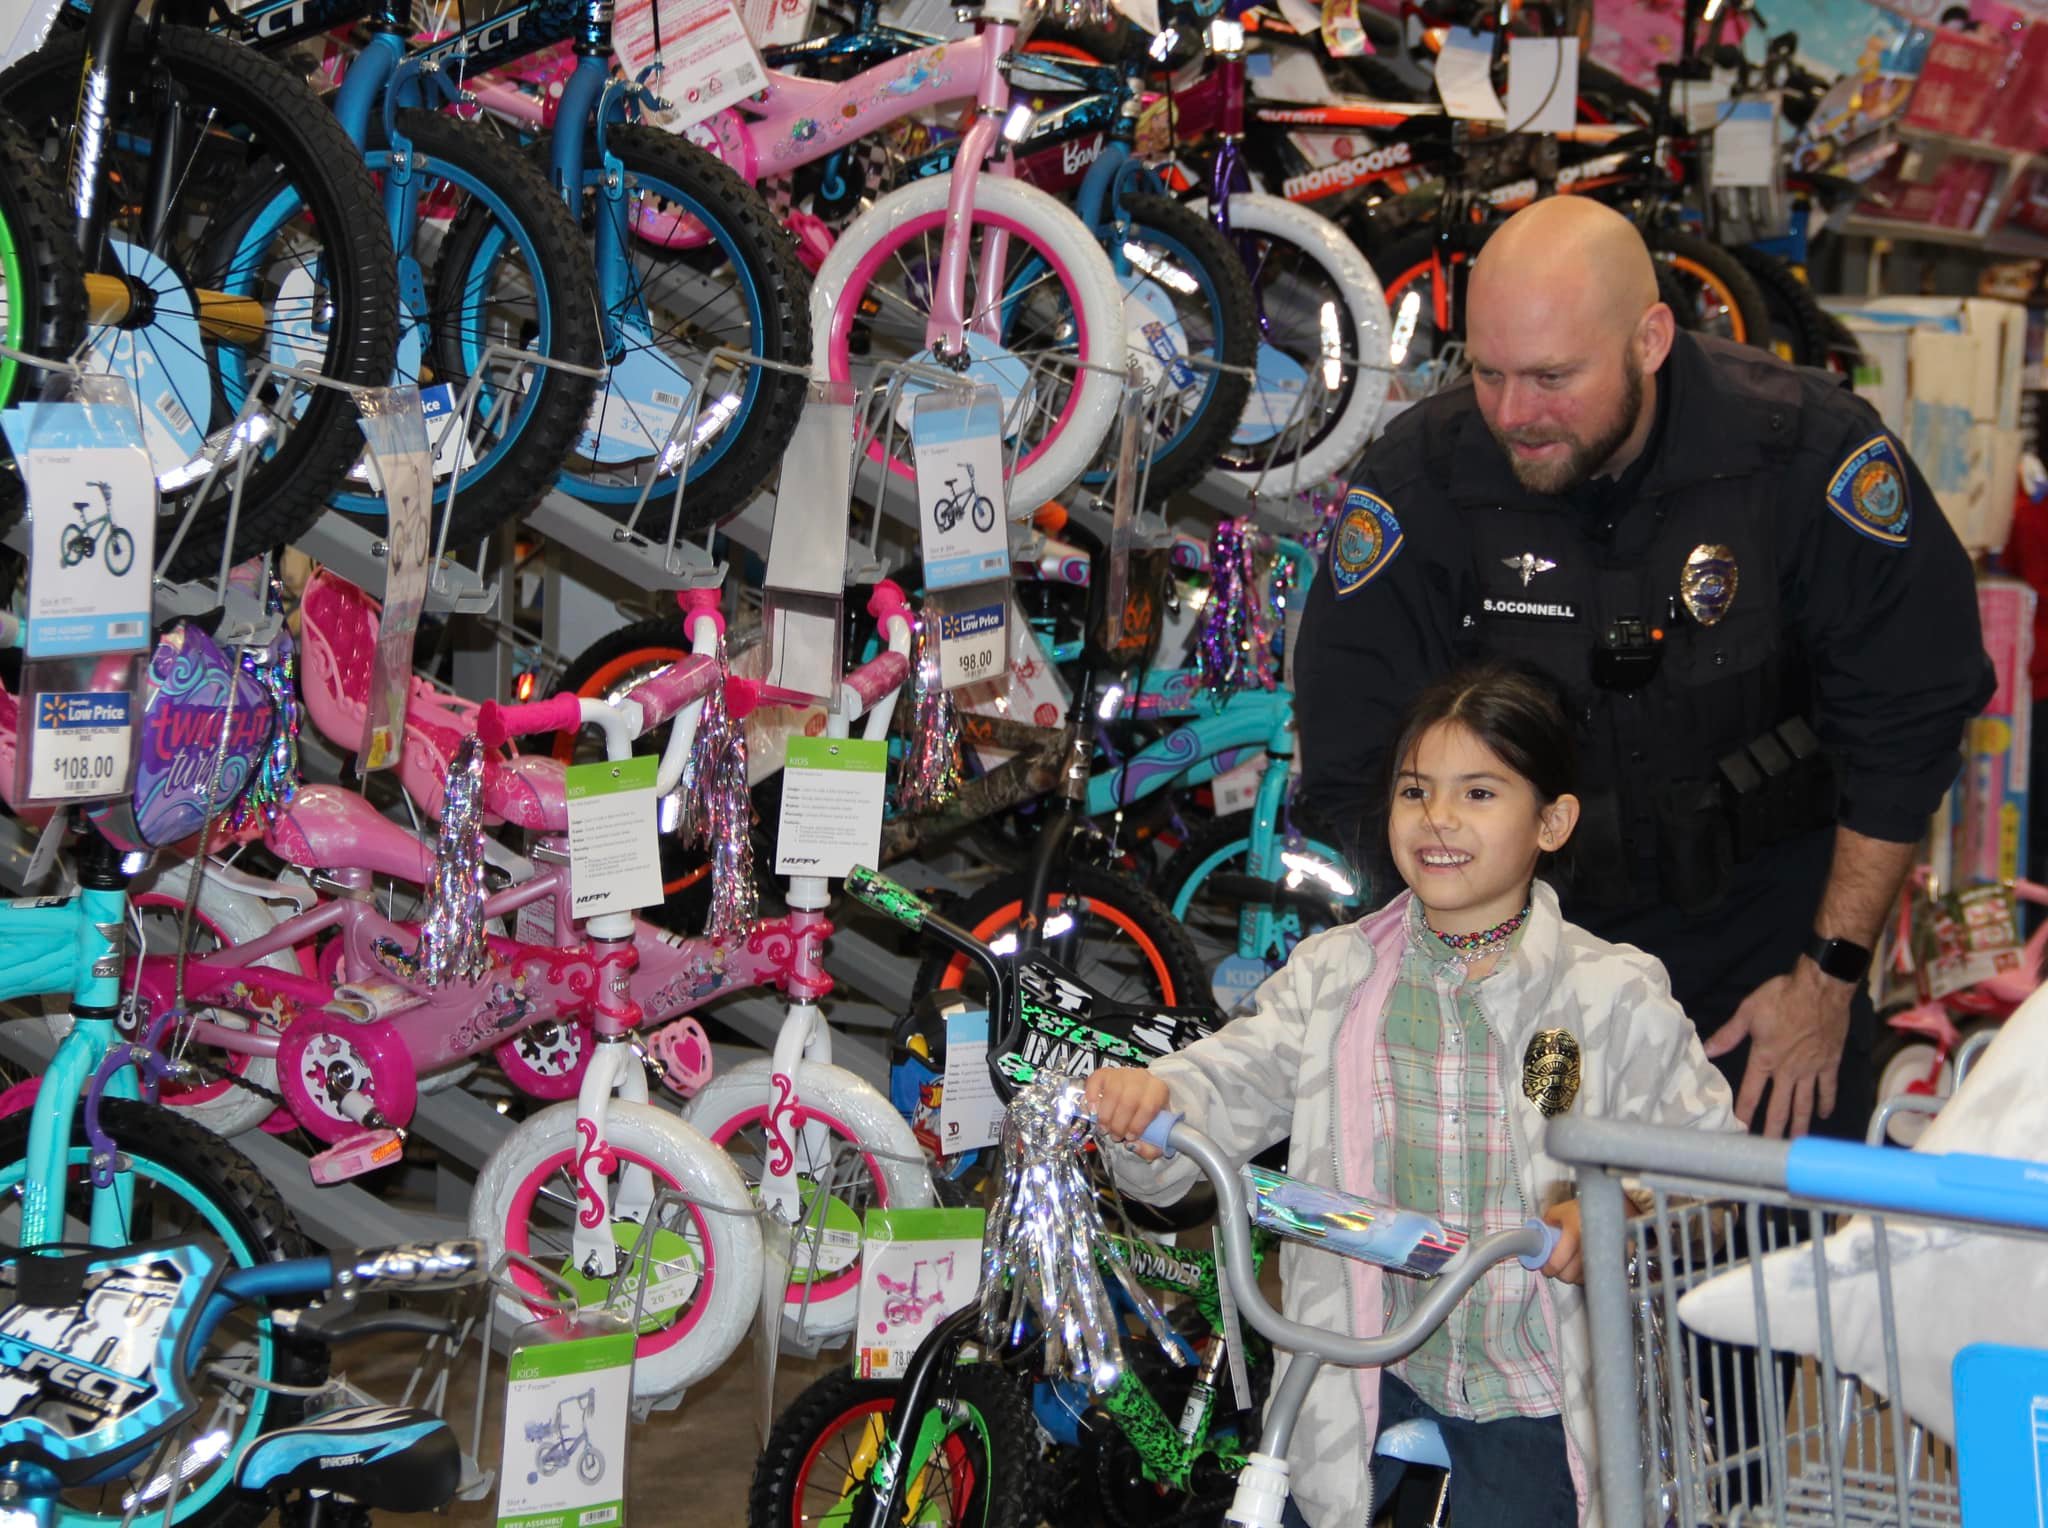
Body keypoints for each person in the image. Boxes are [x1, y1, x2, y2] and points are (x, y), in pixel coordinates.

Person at [1294, 196, 1993, 1142]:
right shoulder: (1425, 481)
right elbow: (1355, 759)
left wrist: (1829, 977)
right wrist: (1450, 985)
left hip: (1765, 962)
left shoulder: (1802, 456)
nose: (1513, 414)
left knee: (1760, 1275)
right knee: (1538, 1263)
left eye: (1551, 377)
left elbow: (1909, 716)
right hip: (1525, 960)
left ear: (1652, 339)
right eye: (1489, 372)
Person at [1086, 663, 1737, 1528]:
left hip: (1534, 1386)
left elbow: (1717, 1173)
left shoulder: (1609, 993)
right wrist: (1152, 1101)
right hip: (1364, 1369)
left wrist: (1615, 1213)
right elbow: (1231, 1073)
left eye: (1478, 792)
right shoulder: (1338, 976)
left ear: (1552, 820)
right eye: (1415, 791)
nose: (1438, 818)